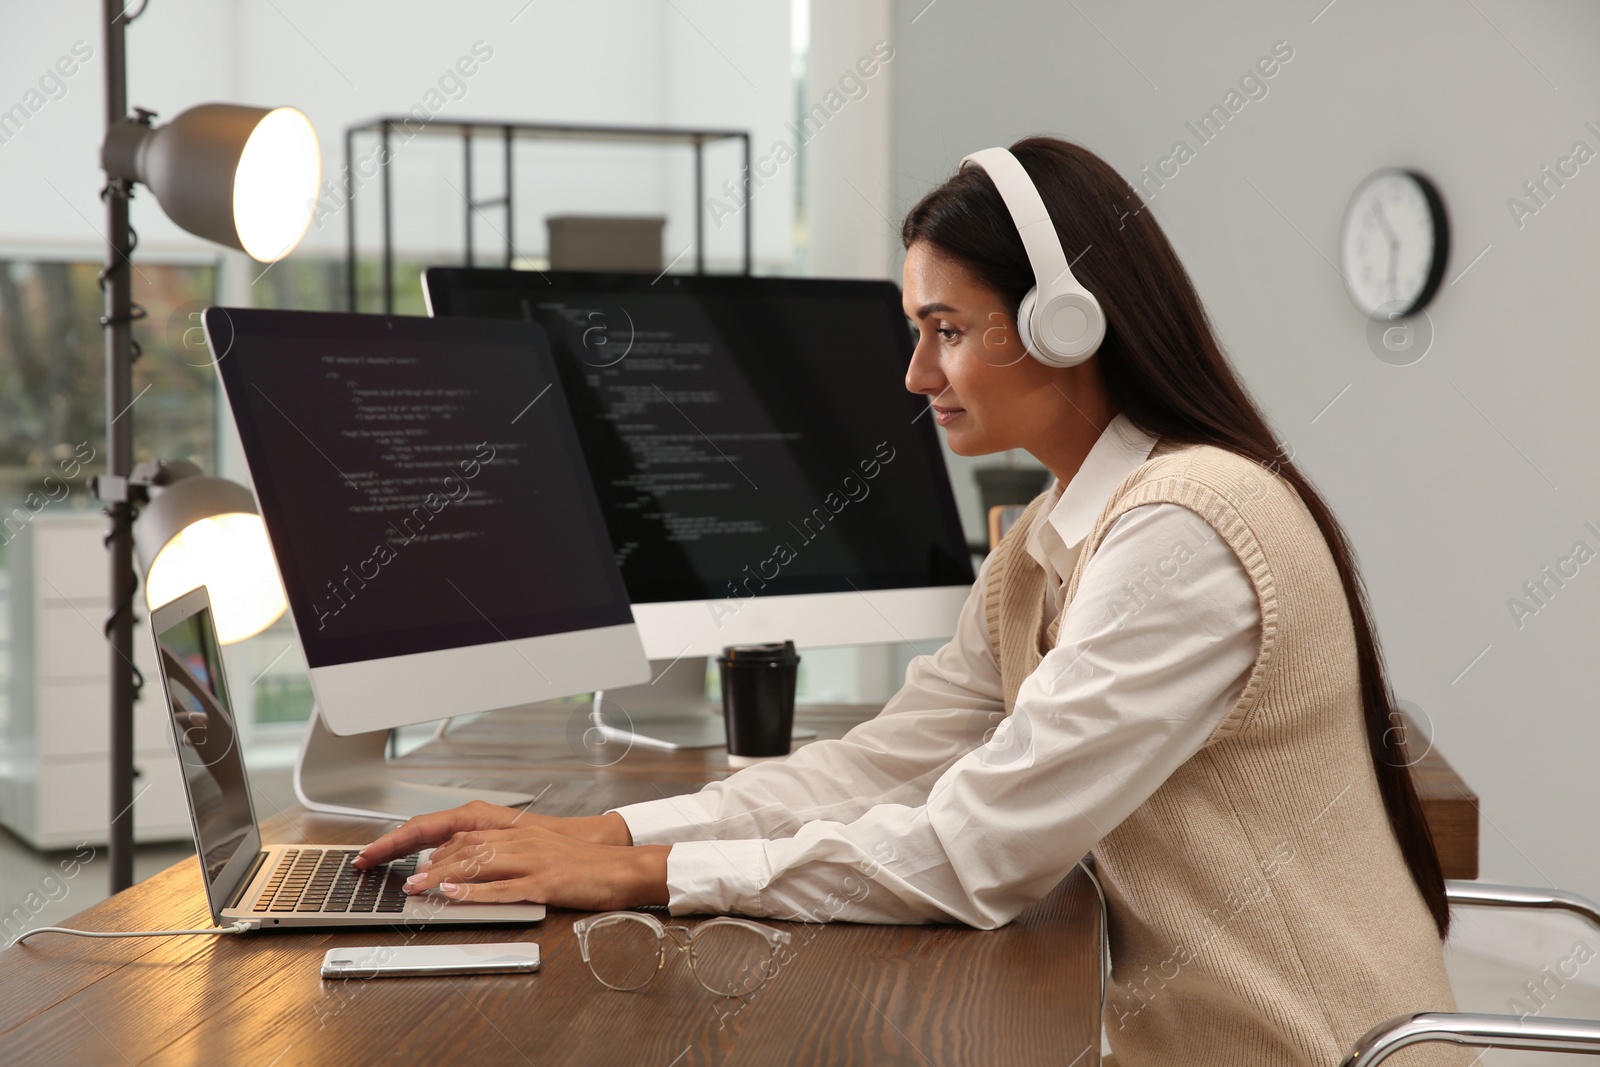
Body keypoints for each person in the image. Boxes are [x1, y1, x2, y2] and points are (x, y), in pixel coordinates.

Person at [356, 136, 1463, 1065]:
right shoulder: (1048, 539)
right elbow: (883, 763)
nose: (914, 377)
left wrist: (646, 871)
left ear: (1065, 323)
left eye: (945, 329)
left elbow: (974, 854)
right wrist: (601, 829)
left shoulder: (1185, 528)